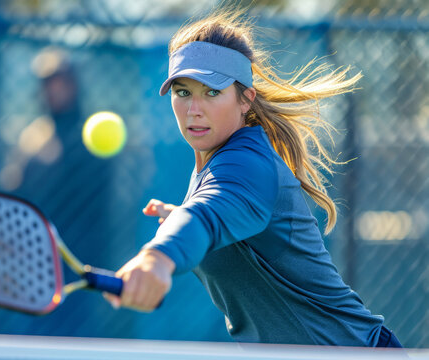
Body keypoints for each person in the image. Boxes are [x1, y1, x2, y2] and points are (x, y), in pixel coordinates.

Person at [104, 9, 402, 347]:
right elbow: (210, 212)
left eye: (212, 92)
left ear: (246, 99)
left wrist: (157, 256)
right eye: (183, 92)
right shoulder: (212, 164)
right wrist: (182, 221)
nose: (193, 109)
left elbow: (204, 215)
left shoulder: (247, 164)